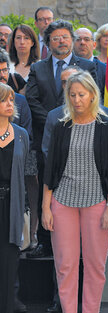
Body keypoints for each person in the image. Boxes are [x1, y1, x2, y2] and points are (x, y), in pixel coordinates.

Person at [41, 70, 108, 313]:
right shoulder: (61, 126)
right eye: (73, 95)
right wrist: (46, 208)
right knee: (65, 265)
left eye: (82, 94)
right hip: (63, 202)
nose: (77, 100)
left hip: (97, 203)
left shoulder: (106, 127)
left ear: (92, 96)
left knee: (95, 266)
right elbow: (51, 170)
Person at [25, 19, 96, 260]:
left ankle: (82, 241)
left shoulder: (87, 65)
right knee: (48, 190)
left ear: (72, 39)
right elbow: (32, 100)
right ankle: (45, 241)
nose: (61, 41)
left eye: (66, 36)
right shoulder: (38, 68)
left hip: (82, 140)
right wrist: (56, 121)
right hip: (47, 137)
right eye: (55, 38)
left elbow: (93, 98)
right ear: (48, 42)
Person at [0, 83, 29, 313]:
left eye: (12, 99)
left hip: (12, 205)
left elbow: (24, 175)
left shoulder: (21, 135)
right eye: (4, 100)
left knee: (10, 264)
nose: (10, 104)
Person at [42, 66, 108, 159]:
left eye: (73, 79)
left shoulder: (105, 114)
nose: (70, 84)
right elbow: (48, 151)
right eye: (64, 82)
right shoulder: (54, 116)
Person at [73, 28, 106, 102]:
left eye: (86, 39)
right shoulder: (65, 67)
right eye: (78, 39)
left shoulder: (104, 70)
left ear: (94, 45)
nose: (82, 42)